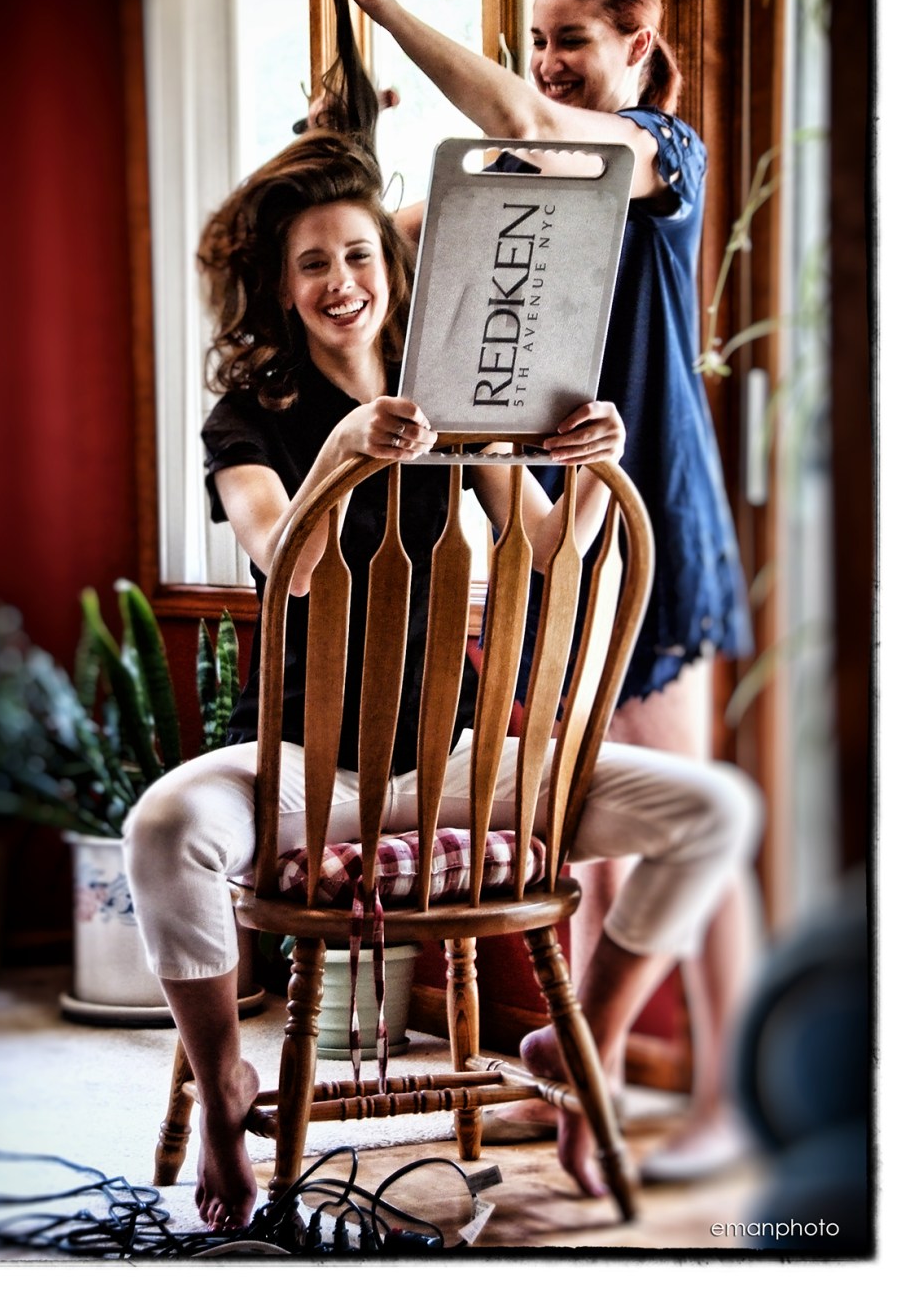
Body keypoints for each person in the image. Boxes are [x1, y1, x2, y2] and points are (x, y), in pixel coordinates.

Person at [122, 123, 761, 1232]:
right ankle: (224, 1087)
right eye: (312, 263)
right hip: (302, 768)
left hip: (458, 763)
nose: (340, 281)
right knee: (161, 829)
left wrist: (591, 461)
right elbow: (286, 560)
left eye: (358, 254)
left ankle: (581, 1044)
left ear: (391, 265)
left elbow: (555, 549)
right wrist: (346, 450)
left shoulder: (458, 399)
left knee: (711, 809)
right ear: (282, 286)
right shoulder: (249, 419)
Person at [329, 0, 761, 1177]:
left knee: (692, 820)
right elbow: (393, 241)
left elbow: (527, 123)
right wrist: (352, 155)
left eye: (573, 39)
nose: (550, 61)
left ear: (638, 44)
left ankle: (732, 1097)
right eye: (538, 40)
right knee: (593, 821)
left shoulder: (658, 150)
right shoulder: (530, 164)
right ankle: (588, 1086)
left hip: (656, 515)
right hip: (566, 532)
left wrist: (389, 9)